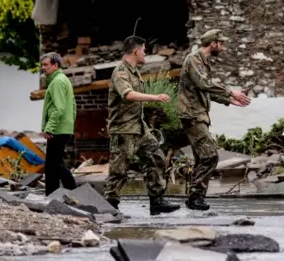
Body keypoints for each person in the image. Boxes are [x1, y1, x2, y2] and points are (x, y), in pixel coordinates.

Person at [102, 36, 180, 216]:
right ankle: (109, 206)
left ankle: (157, 201)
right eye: (144, 50)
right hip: (124, 129)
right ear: (136, 51)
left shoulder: (134, 71)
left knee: (156, 157)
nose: (145, 54)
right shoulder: (120, 71)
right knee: (119, 169)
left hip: (139, 127)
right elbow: (128, 94)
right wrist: (155, 97)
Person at [178, 29, 252, 210]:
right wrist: (230, 92)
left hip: (198, 115)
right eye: (221, 43)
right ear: (213, 44)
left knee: (202, 158)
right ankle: (195, 197)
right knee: (210, 156)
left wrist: (229, 100)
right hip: (192, 115)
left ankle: (194, 199)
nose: (223, 47)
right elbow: (204, 84)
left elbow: (204, 89)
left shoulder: (203, 62)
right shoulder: (194, 60)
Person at [40, 52, 77, 196]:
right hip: (62, 127)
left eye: (46, 65)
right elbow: (73, 106)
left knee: (55, 164)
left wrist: (50, 128)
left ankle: (74, 191)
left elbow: (59, 108)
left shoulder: (57, 82)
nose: (43, 68)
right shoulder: (62, 79)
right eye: (42, 65)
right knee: (51, 165)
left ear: (55, 65)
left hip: (58, 129)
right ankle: (51, 195)